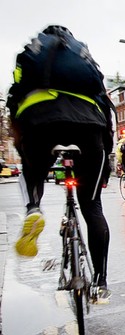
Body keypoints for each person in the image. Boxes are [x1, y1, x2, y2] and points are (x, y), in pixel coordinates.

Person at [7, 25, 114, 301]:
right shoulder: (84, 59)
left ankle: (33, 208)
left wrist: (24, 148)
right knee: (92, 207)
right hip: (89, 127)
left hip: (40, 122)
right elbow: (105, 106)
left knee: (31, 172)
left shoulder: (32, 54)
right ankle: (101, 284)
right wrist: (106, 161)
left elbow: (14, 97)